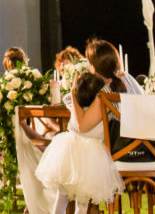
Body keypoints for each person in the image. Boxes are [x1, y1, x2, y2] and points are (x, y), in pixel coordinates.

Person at [35, 71, 124, 214]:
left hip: (69, 155)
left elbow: (67, 98)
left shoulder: (74, 107)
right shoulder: (102, 110)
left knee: (61, 198)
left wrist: (73, 89)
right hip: (92, 159)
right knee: (82, 204)